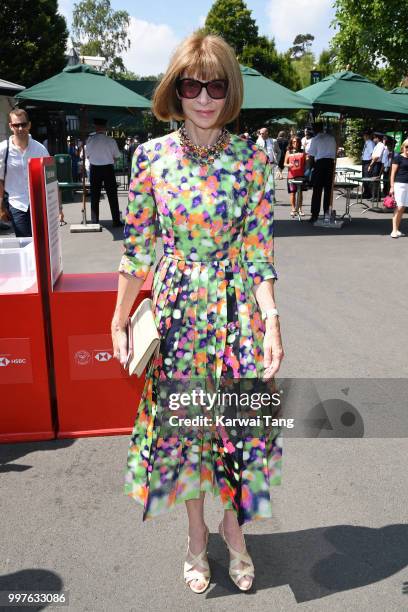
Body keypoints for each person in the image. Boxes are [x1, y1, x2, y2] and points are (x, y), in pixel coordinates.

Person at [111, 33, 284, 594]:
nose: (205, 97)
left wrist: (272, 318)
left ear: (229, 91)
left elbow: (258, 251)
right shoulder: (150, 158)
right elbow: (138, 250)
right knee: (186, 432)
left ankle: (236, 536)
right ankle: (194, 538)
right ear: (175, 89)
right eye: (192, 85)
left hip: (237, 312)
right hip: (179, 315)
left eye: (216, 85)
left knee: (237, 428)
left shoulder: (254, 161)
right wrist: (118, 318)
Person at [0, 108, 49, 237]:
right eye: (16, 125)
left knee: (41, 243)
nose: (20, 128)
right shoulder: (3, 149)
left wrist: (58, 208)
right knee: (25, 243)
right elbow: (0, 180)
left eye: (23, 124)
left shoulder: (40, 149)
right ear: (11, 126)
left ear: (29, 125)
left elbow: (50, 178)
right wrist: (1, 207)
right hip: (17, 204)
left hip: (38, 203)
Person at [85, 118, 123, 226]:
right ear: (105, 127)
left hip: (95, 169)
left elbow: (87, 155)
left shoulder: (90, 140)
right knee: (112, 195)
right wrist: (109, 160)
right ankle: (116, 220)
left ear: (95, 127)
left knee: (95, 195)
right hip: (108, 169)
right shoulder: (111, 140)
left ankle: (94, 221)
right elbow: (117, 157)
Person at [307, 123, 336, 223]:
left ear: (315, 130)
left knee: (317, 191)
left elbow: (311, 156)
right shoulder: (331, 138)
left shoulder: (315, 139)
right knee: (328, 191)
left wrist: (309, 168)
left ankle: (314, 215)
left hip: (320, 164)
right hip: (330, 164)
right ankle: (326, 214)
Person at [389, 138, 408, 238]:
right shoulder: (398, 158)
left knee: (403, 208)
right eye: (406, 147)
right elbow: (392, 174)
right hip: (399, 184)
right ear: (403, 147)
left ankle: (397, 229)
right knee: (399, 207)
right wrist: (392, 187)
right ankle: (394, 230)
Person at [284, 136, 306, 217]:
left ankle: (300, 209)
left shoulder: (303, 151)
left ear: (299, 143)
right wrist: (288, 165)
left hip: (301, 176)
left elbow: (306, 163)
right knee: (293, 193)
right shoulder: (288, 152)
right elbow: (284, 163)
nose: (295, 143)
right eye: (293, 142)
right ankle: (293, 209)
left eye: (296, 142)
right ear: (291, 143)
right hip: (291, 176)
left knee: (300, 193)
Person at [368, 132, 385, 202]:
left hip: (377, 164)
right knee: (373, 180)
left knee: (376, 180)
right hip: (375, 163)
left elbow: (376, 157)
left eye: (374, 137)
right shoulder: (377, 145)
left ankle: (377, 197)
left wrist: (370, 165)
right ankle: (373, 196)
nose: (373, 139)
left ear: (377, 138)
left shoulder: (380, 145)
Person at [361, 130, 374, 198]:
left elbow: (372, 154)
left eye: (365, 135)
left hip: (368, 161)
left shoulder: (370, 143)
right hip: (364, 161)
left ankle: (368, 193)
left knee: (367, 177)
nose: (364, 136)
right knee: (364, 177)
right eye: (364, 135)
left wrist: (371, 164)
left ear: (368, 136)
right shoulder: (366, 142)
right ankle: (365, 191)